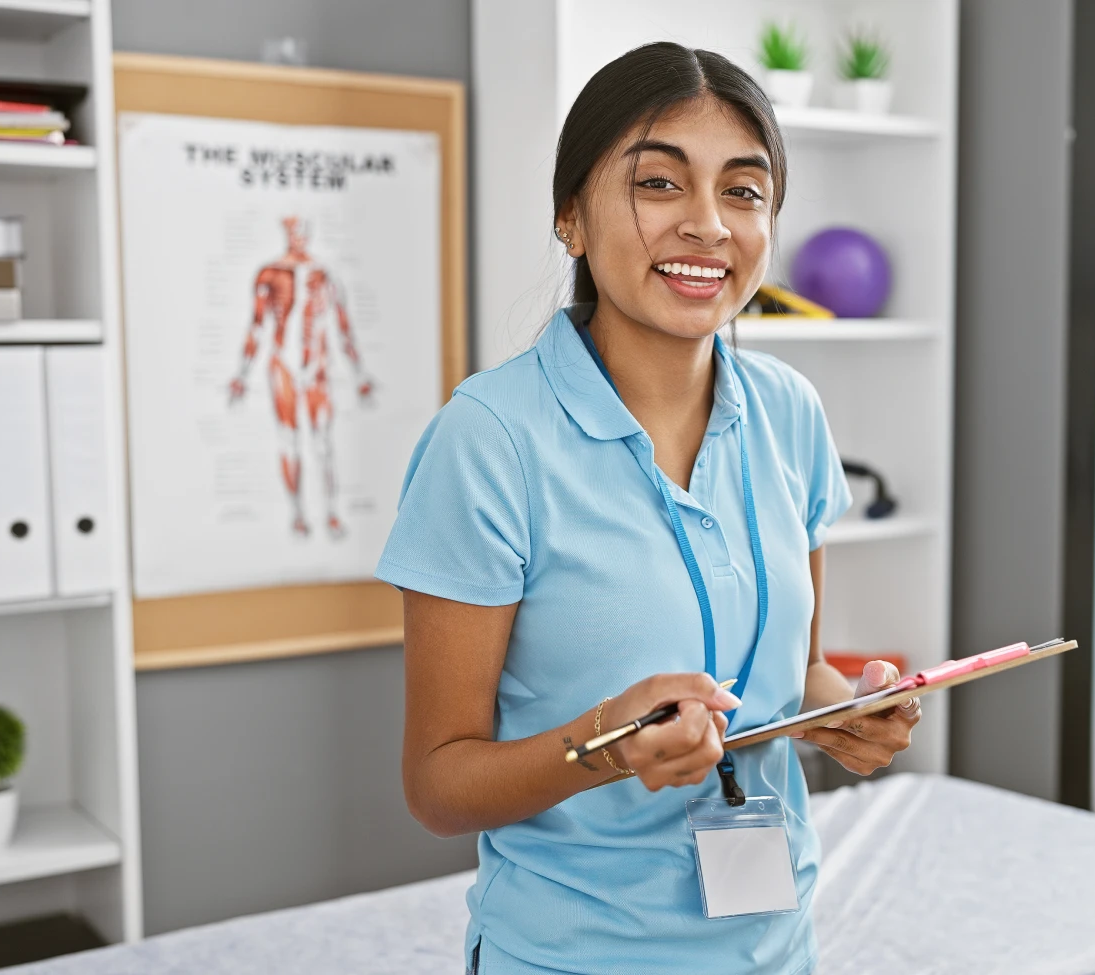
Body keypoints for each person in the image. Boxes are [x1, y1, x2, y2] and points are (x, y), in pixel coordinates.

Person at [376, 41, 919, 975]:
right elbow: (438, 783)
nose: (708, 225)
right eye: (660, 184)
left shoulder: (791, 412)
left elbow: (801, 672)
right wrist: (608, 746)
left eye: (744, 192)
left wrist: (849, 711)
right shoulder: (490, 439)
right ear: (570, 218)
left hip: (775, 948)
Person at [229, 215, 374, 538]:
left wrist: (359, 373)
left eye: (303, 230)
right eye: (294, 230)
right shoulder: (270, 273)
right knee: (289, 442)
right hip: (283, 365)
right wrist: (242, 374)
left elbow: (342, 325)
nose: (299, 236)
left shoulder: (325, 274)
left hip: (316, 368)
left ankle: (331, 513)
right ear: (286, 233)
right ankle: (297, 512)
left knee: (323, 443)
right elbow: (256, 325)